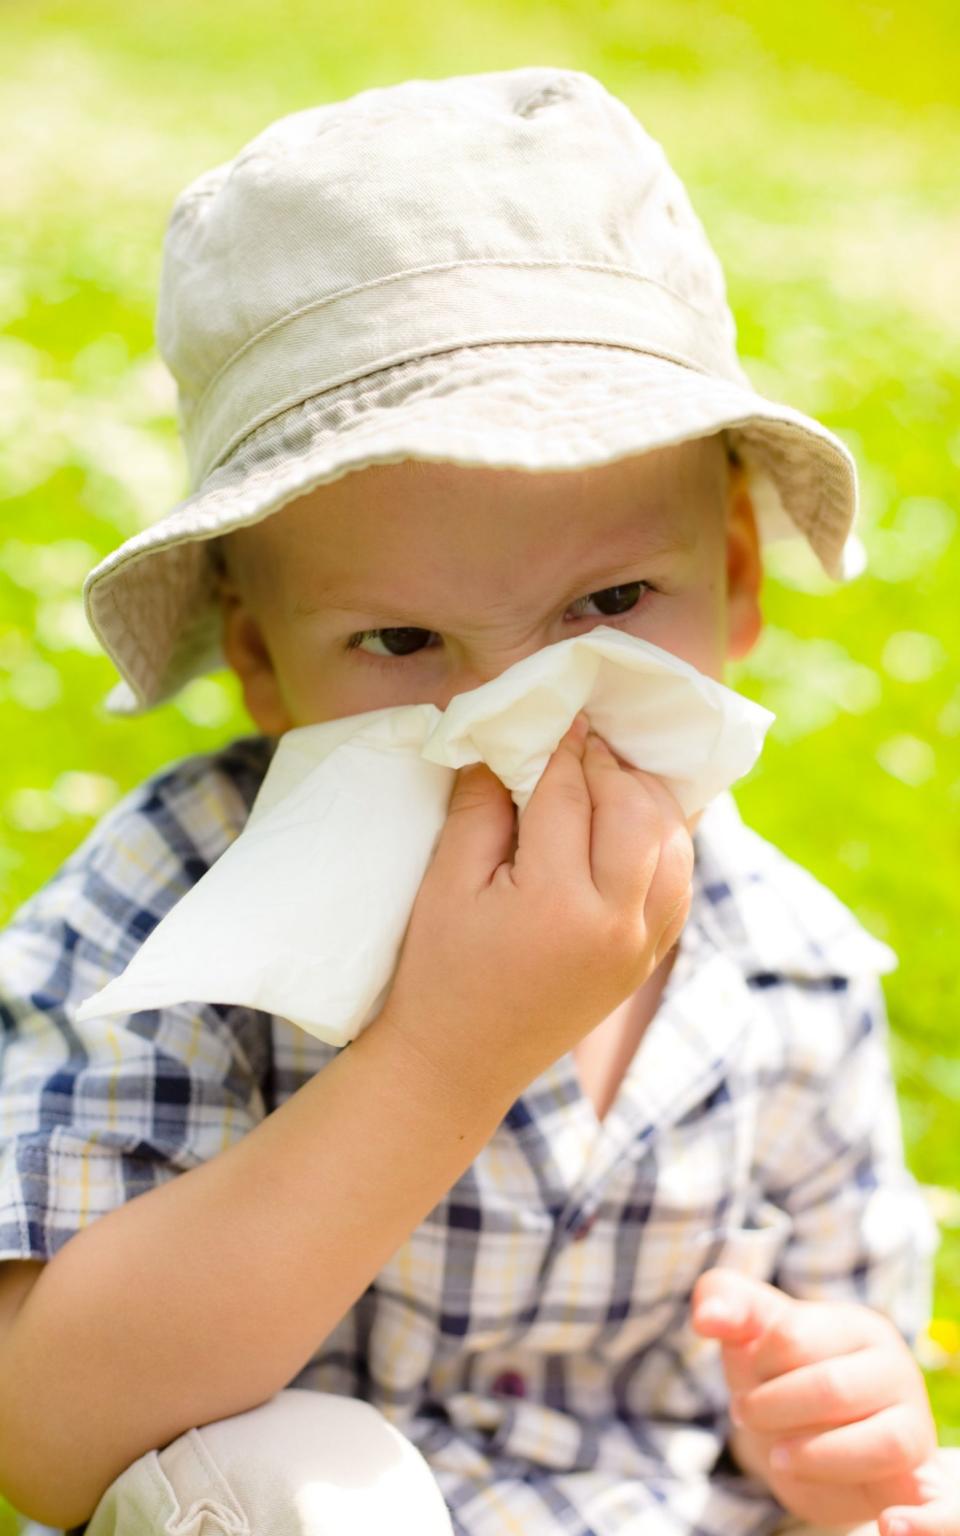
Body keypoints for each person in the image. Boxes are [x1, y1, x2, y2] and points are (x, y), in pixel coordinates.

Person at [0, 65, 953, 1536]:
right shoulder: (176, 912)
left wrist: (846, 1415)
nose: (525, 717)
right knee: (303, 1483)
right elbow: (51, 1438)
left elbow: (836, 1360)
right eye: (401, 642)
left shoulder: (790, 964)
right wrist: (446, 1054)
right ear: (261, 663)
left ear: (740, 585)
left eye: (612, 601)